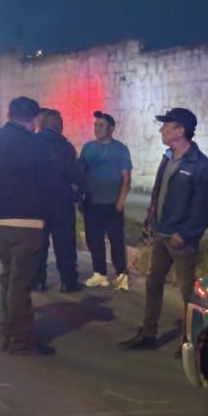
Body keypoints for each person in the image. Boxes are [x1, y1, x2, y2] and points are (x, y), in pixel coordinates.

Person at [120, 107, 208, 351]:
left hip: (181, 239)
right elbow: (158, 194)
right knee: (153, 282)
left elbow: (203, 208)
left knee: (187, 292)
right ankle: (148, 333)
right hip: (161, 233)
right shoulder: (167, 158)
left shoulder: (200, 165)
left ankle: (190, 341)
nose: (161, 129)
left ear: (180, 131)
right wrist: (150, 221)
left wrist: (185, 234)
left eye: (166, 125)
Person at [0, 96, 63, 356]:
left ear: (10, 114)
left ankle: (9, 330)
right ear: (34, 118)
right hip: (29, 220)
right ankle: (21, 340)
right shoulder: (36, 146)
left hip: (0, 218)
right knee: (21, 282)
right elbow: (50, 183)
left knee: (8, 277)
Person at [80, 111, 134, 290]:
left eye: (101, 125)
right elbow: (81, 174)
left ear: (111, 128)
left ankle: (121, 275)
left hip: (112, 203)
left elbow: (126, 178)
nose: (97, 129)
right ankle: (99, 273)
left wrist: (120, 202)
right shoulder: (88, 148)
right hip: (92, 203)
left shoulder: (120, 149)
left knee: (117, 241)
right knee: (94, 241)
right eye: (96, 125)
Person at [33, 108, 82, 293]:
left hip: (38, 202)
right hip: (61, 201)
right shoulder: (65, 147)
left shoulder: (32, 144)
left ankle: (38, 281)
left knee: (39, 243)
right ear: (57, 125)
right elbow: (75, 174)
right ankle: (67, 281)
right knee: (65, 243)